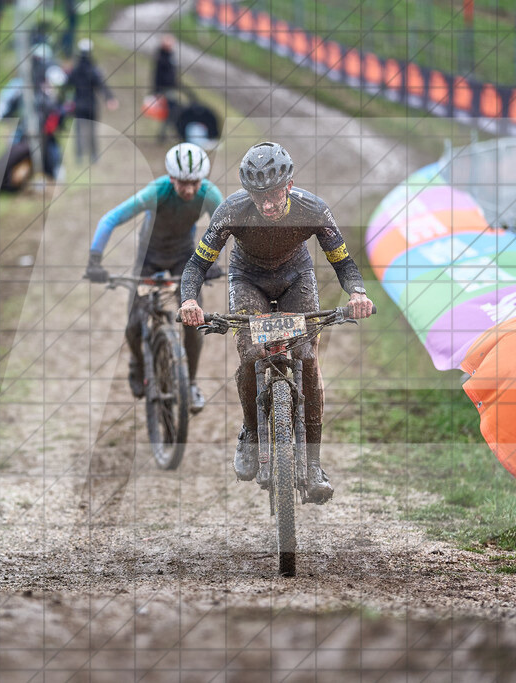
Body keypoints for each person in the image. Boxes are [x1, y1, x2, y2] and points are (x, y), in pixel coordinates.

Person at [178, 142, 373, 503]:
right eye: (258, 196)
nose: (267, 205)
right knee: (251, 352)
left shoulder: (312, 208)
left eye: (273, 195)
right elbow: (196, 264)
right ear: (248, 193)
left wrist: (357, 293)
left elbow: (343, 261)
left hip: (296, 276)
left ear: (290, 184)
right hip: (247, 278)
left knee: (309, 360)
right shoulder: (232, 210)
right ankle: (251, 433)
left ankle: (313, 464)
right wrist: (189, 299)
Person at [86, 143, 223, 412]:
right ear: (171, 178)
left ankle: (191, 383)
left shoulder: (209, 194)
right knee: (133, 325)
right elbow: (110, 219)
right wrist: (94, 260)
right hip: (148, 258)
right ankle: (137, 363)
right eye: (183, 182)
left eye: (194, 182)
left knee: (194, 323)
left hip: (186, 259)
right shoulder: (156, 192)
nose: (189, 189)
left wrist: (215, 262)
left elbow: (226, 226)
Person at [64, 39, 118, 165]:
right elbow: (101, 85)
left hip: (78, 105)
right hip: (91, 105)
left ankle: (79, 156)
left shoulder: (75, 70)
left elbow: (67, 84)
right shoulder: (93, 70)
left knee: (78, 132)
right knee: (92, 131)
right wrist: (109, 98)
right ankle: (93, 156)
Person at [152, 34, 179, 142]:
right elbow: (157, 75)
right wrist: (157, 90)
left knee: (171, 111)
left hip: (170, 87)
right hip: (164, 89)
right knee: (169, 111)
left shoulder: (170, 55)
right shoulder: (161, 57)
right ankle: (165, 134)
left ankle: (165, 133)